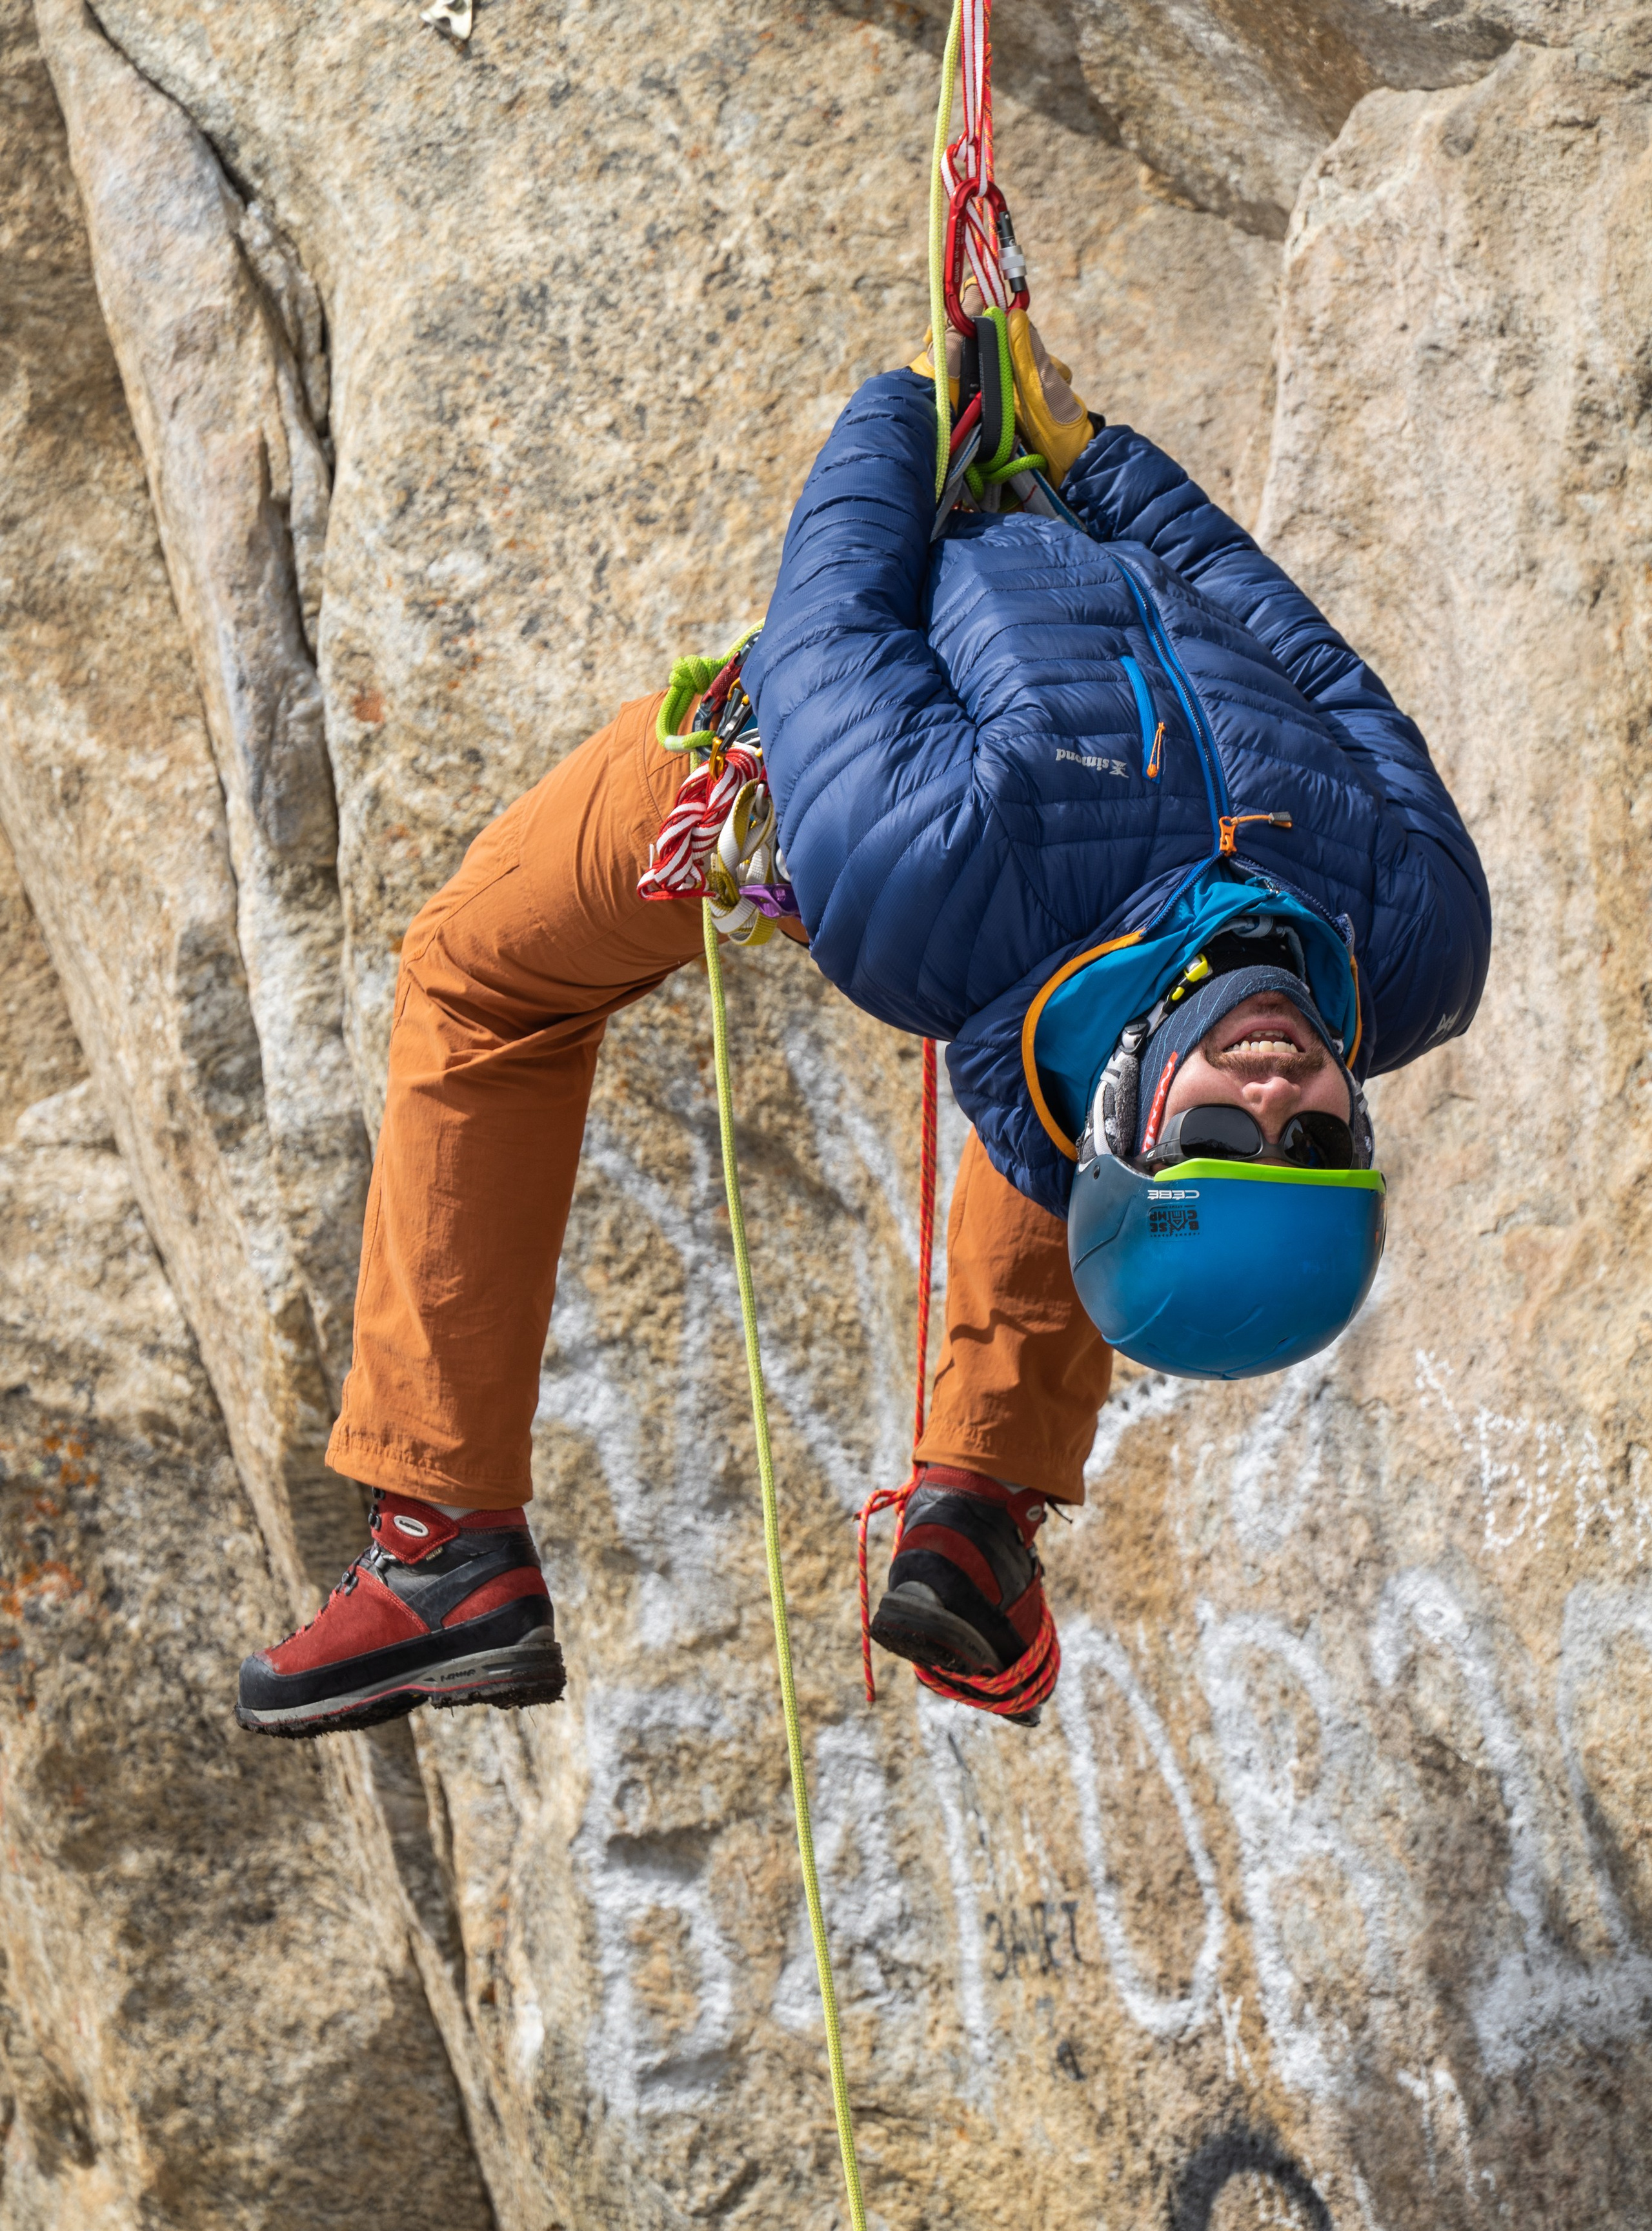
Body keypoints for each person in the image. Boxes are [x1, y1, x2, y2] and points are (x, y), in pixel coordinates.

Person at [236, 313, 1490, 1741]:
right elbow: (1304, 657)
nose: (1270, 1092)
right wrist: (1095, 459)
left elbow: (829, 619)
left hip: (866, 793)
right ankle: (980, 1511)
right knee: (1086, 1032)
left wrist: (909, 405)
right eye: (1309, 1144)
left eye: (1216, 1134)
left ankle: (442, 1540)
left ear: (1147, 1113)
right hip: (1045, 773)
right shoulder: (1422, 937)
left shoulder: (925, 864)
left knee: (479, 975)